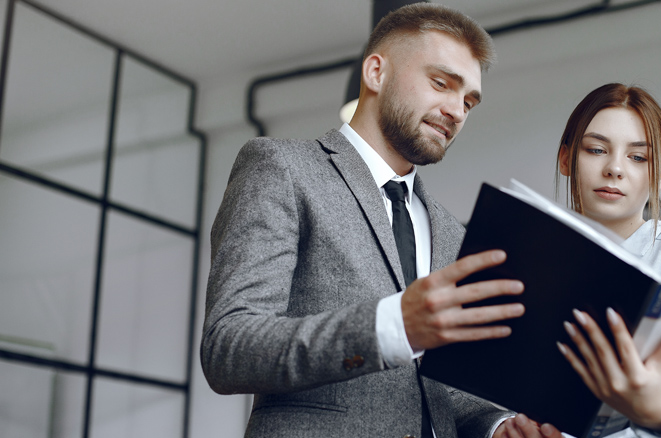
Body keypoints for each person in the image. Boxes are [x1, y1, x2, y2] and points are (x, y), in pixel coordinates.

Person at [201, 4, 549, 438]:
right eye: (441, 83)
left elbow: (439, 391)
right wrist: (393, 327)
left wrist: (496, 427)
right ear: (376, 73)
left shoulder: (452, 232)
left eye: (469, 101)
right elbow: (229, 348)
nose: (457, 110)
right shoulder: (283, 168)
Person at [502, 83, 661, 438]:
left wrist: (657, 411)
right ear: (566, 158)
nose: (615, 169)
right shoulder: (524, 261)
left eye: (638, 157)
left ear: (660, 173)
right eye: (595, 149)